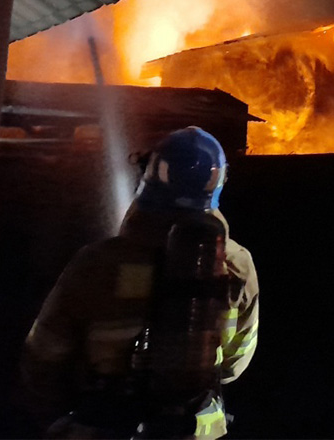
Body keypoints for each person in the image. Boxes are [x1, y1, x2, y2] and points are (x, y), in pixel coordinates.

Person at [21, 127, 259, 439]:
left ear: (150, 176)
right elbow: (234, 365)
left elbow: (43, 357)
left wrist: (59, 417)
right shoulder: (237, 264)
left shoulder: (96, 264)